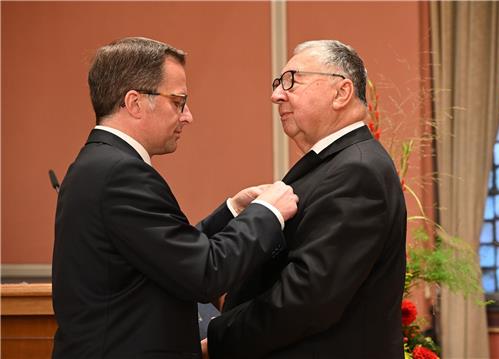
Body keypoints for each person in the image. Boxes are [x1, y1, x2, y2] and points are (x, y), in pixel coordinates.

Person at [52, 37, 299, 359]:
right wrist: (268, 213)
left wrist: (233, 210)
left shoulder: (100, 164)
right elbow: (204, 274)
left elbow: (165, 254)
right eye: (178, 101)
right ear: (135, 102)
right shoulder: (120, 174)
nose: (187, 116)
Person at [205, 40, 407, 358]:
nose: (276, 95)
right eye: (277, 83)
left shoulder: (357, 169)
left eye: (291, 81)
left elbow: (307, 297)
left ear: (341, 92)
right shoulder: (338, 162)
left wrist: (218, 339)